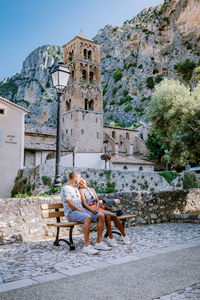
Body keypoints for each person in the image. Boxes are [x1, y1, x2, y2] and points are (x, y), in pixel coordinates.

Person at [60, 170, 111, 255]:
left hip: (81, 211)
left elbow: (85, 201)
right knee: (88, 217)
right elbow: (70, 204)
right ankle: (87, 246)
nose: (81, 179)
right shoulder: (66, 189)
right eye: (79, 177)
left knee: (101, 215)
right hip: (71, 213)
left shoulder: (76, 189)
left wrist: (88, 210)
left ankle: (99, 243)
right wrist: (83, 212)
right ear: (75, 177)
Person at [78, 178, 131, 247]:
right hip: (90, 209)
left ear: (85, 181)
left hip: (97, 208)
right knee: (113, 215)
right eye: (79, 181)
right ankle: (123, 235)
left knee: (109, 216)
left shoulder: (92, 189)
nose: (81, 182)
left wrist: (97, 208)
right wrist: (92, 210)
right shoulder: (80, 190)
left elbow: (97, 200)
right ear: (78, 184)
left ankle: (111, 237)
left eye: (82, 180)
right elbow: (84, 203)